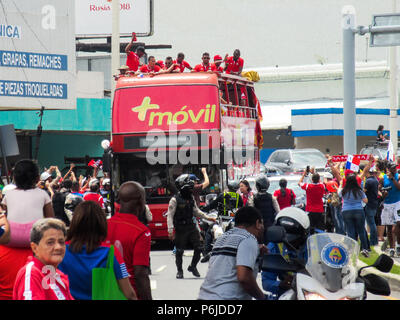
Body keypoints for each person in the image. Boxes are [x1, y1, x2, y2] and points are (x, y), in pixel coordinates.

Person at [58, 201, 137, 300]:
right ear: (101, 223)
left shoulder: (60, 251)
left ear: (75, 222)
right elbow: (129, 294)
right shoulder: (110, 253)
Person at [0, 159, 54, 300]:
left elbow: (4, 217)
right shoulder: (43, 194)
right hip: (35, 240)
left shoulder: (8, 195)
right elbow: (51, 220)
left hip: (10, 239)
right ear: (37, 178)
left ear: (14, 178)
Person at [198, 206, 266, 300]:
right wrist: (262, 297)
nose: (263, 228)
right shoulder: (249, 239)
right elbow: (244, 278)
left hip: (204, 296)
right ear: (258, 223)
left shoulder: (222, 238)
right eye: (262, 224)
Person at [106, 181, 152, 300]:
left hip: (104, 292)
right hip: (129, 294)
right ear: (141, 201)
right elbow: (140, 274)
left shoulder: (104, 226)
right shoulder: (141, 231)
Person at [167, 174, 216, 279]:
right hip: (180, 228)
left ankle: (193, 266)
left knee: (199, 248)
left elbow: (196, 211)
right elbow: (170, 215)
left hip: (191, 227)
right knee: (179, 251)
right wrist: (170, 230)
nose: (192, 188)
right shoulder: (174, 200)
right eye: (190, 186)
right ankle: (179, 271)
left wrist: (208, 218)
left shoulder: (191, 198)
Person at [13, 218, 74, 300]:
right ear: (34, 248)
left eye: (61, 242)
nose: (58, 247)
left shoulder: (56, 275)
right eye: (50, 242)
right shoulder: (32, 274)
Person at [261, 207, 310, 299]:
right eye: (285, 240)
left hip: (318, 289)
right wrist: (280, 285)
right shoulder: (274, 245)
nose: (288, 243)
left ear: (305, 234)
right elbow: (266, 281)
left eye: (294, 240)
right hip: (289, 292)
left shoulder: (316, 241)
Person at [338, 174, 369, 257]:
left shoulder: (344, 191)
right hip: (358, 210)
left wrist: (341, 184)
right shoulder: (359, 191)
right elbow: (366, 201)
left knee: (350, 230)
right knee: (361, 230)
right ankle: (365, 249)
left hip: (346, 211)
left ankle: (353, 249)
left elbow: (338, 193)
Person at [379, 162, 400, 257]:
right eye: (393, 168)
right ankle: (392, 248)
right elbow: (380, 190)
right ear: (388, 169)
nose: (395, 169)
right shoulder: (383, 178)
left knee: (398, 225)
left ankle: (398, 245)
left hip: (397, 203)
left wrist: (393, 179)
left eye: (395, 168)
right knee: (389, 227)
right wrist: (383, 193)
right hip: (387, 204)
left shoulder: (398, 176)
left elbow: (399, 187)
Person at [253, 175, 280, 242]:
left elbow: (250, 212)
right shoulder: (272, 197)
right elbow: (278, 212)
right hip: (269, 225)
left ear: (257, 186)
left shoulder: (253, 198)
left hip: (257, 226)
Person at [364, 166, 380, 247]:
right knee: (372, 222)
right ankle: (374, 240)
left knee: (371, 223)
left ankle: (373, 241)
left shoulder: (369, 181)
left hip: (369, 203)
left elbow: (364, 191)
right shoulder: (376, 180)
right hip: (374, 202)